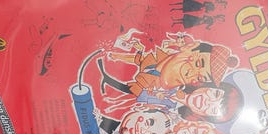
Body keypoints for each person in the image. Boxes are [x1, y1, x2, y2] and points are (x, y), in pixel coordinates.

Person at [97, 39, 239, 97]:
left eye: (200, 77)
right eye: (198, 64)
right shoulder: (155, 61)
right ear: (190, 47)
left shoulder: (165, 95)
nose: (192, 74)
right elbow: (139, 60)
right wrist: (115, 56)